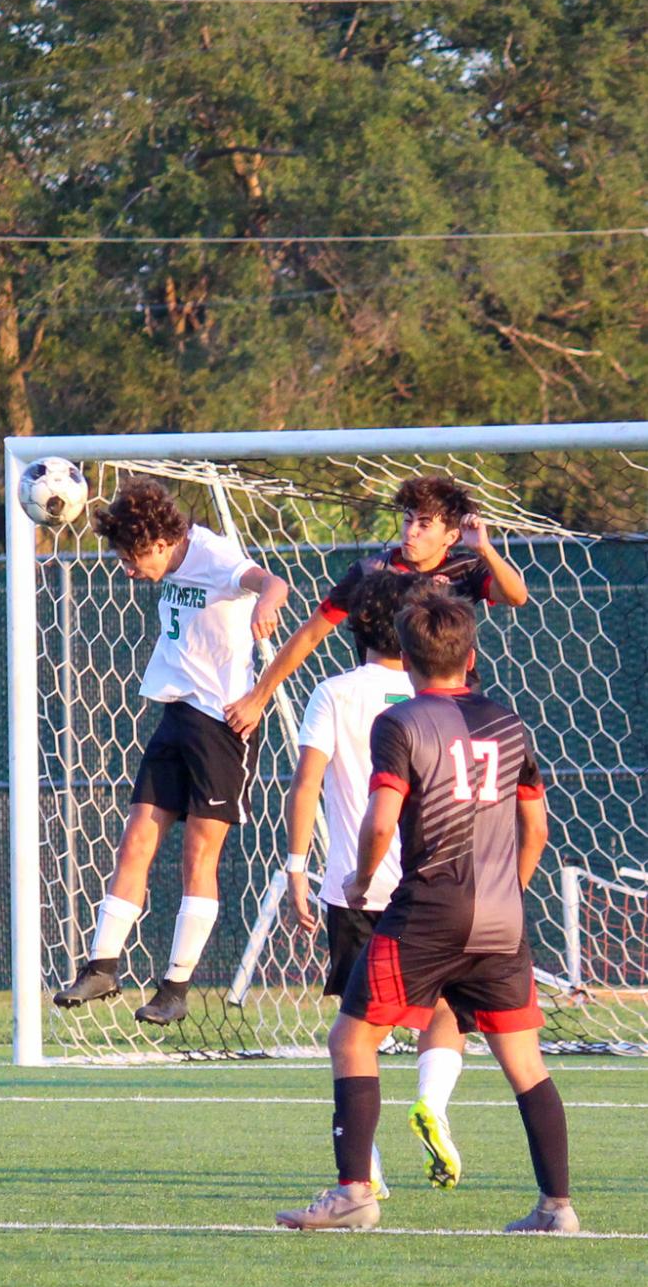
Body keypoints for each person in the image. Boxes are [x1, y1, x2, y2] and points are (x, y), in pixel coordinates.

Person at [277, 591, 577, 1234]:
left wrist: (358, 879)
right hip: (501, 919)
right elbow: (537, 826)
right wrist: (511, 891)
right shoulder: (509, 722)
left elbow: (381, 819)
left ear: (408, 663)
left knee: (351, 1037)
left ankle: (355, 1193)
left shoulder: (402, 722)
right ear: (471, 657)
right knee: (525, 1063)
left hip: (427, 912)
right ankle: (558, 1207)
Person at [56, 475, 289, 1025]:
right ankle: (102, 966)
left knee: (196, 858)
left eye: (134, 557)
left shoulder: (213, 554)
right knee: (136, 838)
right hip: (175, 714)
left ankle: (175, 988)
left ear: (162, 542)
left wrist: (267, 605)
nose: (129, 570)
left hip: (223, 726)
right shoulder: (168, 561)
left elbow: (270, 582)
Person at [285, 570, 467, 1196]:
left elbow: (306, 784)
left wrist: (296, 868)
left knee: (357, 1032)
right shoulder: (448, 698)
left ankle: (368, 1168)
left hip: (356, 891)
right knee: (443, 1011)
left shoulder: (334, 692)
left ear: (359, 623)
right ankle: (433, 1103)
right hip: (436, 888)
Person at [225, 473, 528, 740]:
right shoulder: (371, 572)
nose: (411, 532)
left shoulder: (467, 569)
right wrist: (258, 698)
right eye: (409, 520)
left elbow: (517, 597)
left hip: (450, 710)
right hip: (383, 710)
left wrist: (485, 548)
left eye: (424, 525)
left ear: (451, 536)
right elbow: (311, 634)